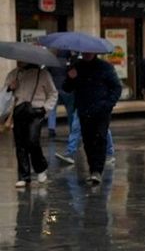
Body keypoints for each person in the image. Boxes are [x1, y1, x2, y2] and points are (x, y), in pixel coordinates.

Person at [64, 51, 122, 186]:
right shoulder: (77, 67)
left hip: (101, 110)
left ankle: (97, 171)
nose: (87, 55)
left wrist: (108, 104)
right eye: (84, 53)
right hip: (84, 109)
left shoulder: (105, 67)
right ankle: (92, 169)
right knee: (88, 140)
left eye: (89, 53)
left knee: (100, 138)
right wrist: (71, 78)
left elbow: (116, 87)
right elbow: (67, 88)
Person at [6, 62, 57, 187]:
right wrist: (10, 88)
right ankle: (24, 176)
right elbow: (4, 93)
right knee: (20, 144)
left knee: (32, 141)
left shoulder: (43, 74)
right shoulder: (14, 73)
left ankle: (41, 167)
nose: (18, 61)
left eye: (21, 59)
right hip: (19, 111)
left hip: (36, 112)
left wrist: (45, 108)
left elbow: (53, 93)